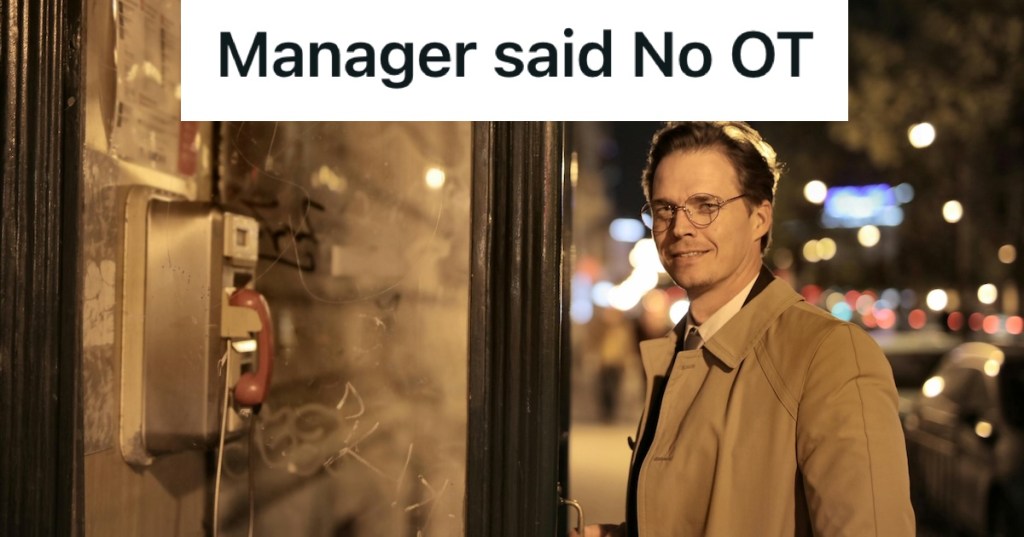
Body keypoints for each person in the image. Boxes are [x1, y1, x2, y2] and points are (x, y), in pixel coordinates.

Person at [579, 122, 915, 537]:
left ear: (759, 218)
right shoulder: (680, 349)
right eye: (665, 208)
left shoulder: (829, 354)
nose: (681, 226)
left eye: (705, 205)